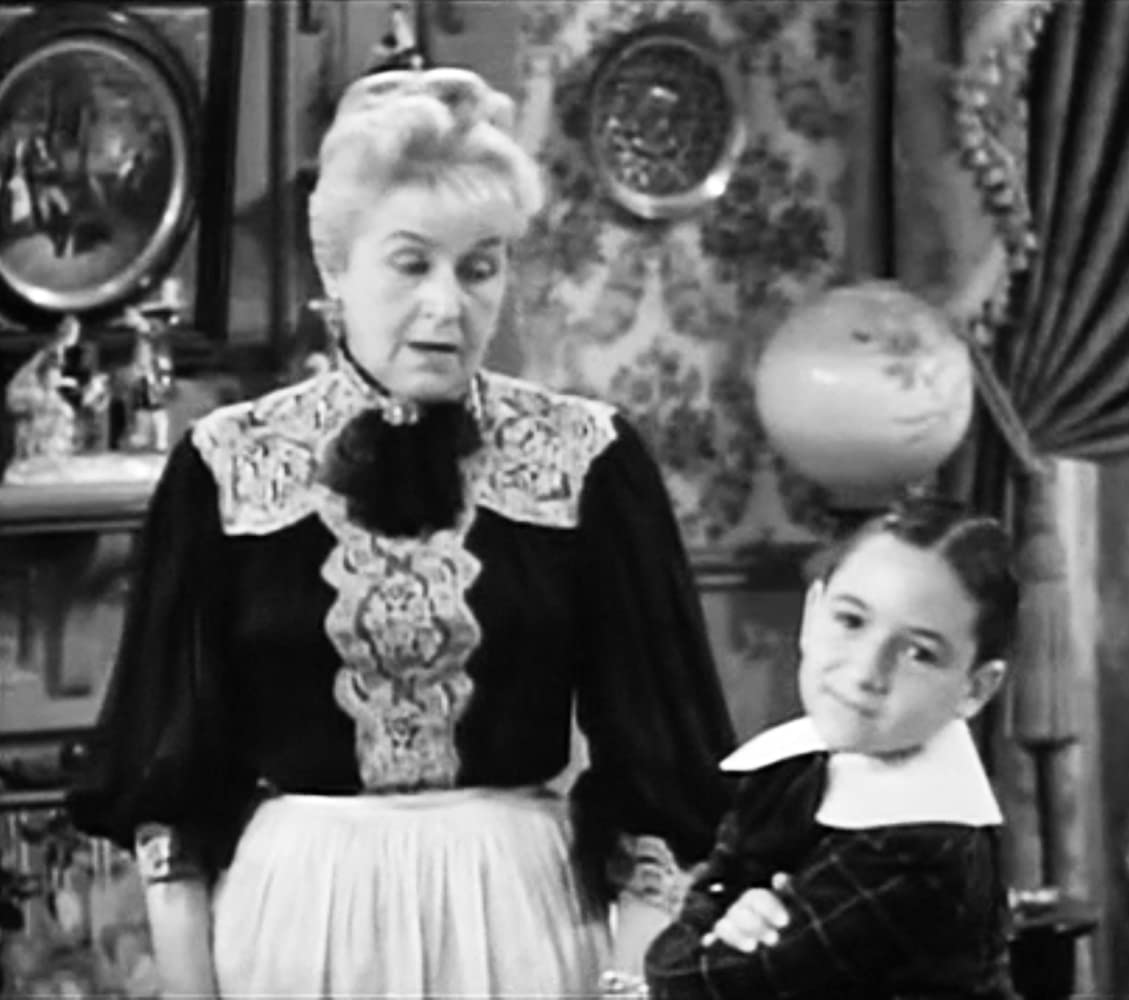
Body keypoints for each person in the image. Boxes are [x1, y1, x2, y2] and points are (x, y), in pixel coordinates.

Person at [66, 66, 736, 998]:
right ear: (336, 269)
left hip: (520, 922)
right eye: (412, 264)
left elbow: (660, 780)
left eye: (480, 267)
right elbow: (172, 799)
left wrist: (629, 980)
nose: (447, 306)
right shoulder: (225, 465)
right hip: (299, 924)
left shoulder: (588, 459)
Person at [645, 499, 1020, 999]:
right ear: (812, 614)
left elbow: (691, 982)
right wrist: (728, 913)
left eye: (919, 653)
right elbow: (720, 889)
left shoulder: (922, 847)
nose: (866, 672)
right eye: (851, 621)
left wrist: (707, 922)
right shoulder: (793, 767)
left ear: (975, 687)